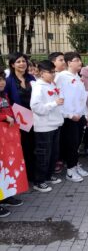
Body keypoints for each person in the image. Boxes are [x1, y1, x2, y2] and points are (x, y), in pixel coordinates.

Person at [30, 60, 64, 192]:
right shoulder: (38, 87)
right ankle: (39, 181)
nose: (54, 74)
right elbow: (36, 107)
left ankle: (48, 176)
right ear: (42, 73)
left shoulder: (50, 84)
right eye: (51, 72)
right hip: (44, 126)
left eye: (54, 71)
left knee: (53, 154)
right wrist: (54, 104)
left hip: (55, 124)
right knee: (43, 154)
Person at [55, 52, 88, 182]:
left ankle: (75, 165)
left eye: (80, 60)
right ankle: (70, 170)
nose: (80, 63)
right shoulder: (61, 77)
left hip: (79, 116)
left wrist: (85, 114)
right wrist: (69, 115)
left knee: (77, 143)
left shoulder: (79, 77)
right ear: (69, 63)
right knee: (70, 143)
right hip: (68, 117)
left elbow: (82, 98)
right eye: (76, 60)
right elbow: (58, 97)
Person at [5, 53, 36, 181]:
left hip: (33, 117)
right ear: (12, 64)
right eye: (18, 62)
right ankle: (23, 176)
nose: (22, 64)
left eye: (24, 61)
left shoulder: (32, 78)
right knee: (23, 147)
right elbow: (5, 100)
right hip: (18, 119)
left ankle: (32, 173)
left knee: (33, 146)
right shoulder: (8, 81)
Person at [0, 68, 23, 217]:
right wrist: (3, 117)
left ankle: (5, 196)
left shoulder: (4, 95)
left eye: (2, 79)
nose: (1, 82)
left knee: (6, 167)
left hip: (6, 136)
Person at [48, 51, 66, 174]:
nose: (64, 62)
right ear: (53, 62)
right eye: (60, 60)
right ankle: (56, 162)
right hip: (54, 113)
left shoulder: (63, 75)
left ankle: (60, 160)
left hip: (63, 113)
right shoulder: (54, 77)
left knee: (62, 139)